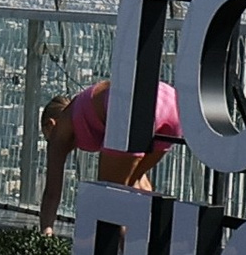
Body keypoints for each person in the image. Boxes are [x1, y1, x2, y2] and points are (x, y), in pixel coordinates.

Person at [37, 78, 182, 234]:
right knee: (137, 186)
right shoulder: (82, 107)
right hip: (170, 102)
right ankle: (161, 244)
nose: (49, 142)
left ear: (50, 125)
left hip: (130, 107)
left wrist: (46, 234)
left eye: (46, 138)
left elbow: (52, 193)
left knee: (109, 201)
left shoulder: (60, 132)